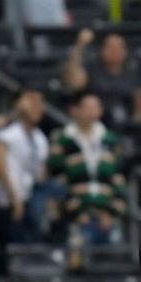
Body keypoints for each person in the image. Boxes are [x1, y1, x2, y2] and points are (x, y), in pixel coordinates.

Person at [47, 92, 126, 254]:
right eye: (87, 107)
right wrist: (76, 211)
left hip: (107, 216)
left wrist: (110, 212)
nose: (92, 111)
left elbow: (118, 178)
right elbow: (57, 178)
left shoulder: (109, 139)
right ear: (75, 110)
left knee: (113, 264)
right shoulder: (63, 139)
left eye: (96, 107)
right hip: (74, 217)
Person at [0, 89, 48, 247]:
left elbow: (41, 174)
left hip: (30, 199)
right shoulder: (8, 133)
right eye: (33, 103)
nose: (38, 108)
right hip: (8, 202)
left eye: (40, 104)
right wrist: (14, 198)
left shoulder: (40, 138)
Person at [62, 30, 141, 128]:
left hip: (125, 123)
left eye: (119, 47)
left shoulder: (132, 69)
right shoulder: (92, 67)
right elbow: (75, 82)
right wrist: (80, 45)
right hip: (94, 123)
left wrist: (136, 125)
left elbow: (140, 104)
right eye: (111, 47)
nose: (115, 51)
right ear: (102, 50)